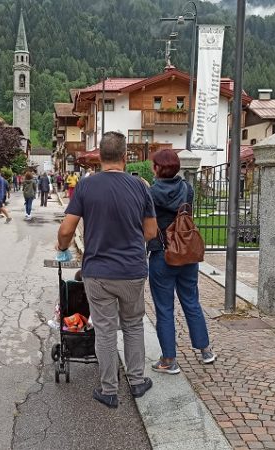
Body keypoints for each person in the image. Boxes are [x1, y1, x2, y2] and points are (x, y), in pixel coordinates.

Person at [56, 131, 158, 408]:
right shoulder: (140, 188)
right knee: (134, 325)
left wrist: (62, 246)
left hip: (98, 272)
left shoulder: (87, 187)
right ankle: (137, 382)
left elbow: (66, 229)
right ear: (126, 157)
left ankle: (109, 389)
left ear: (100, 156)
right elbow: (151, 232)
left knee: (105, 329)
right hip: (132, 271)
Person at [147, 150, 216, 372]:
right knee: (191, 301)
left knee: (165, 308)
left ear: (158, 168)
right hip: (186, 253)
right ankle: (205, 350)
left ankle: (169, 361)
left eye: (153, 165)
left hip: (162, 254)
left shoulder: (152, 193)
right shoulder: (187, 189)